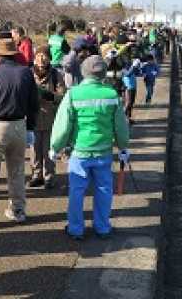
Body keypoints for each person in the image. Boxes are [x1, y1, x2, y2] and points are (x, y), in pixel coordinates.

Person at [50, 56, 130, 241]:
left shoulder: (73, 94)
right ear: (103, 73)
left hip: (80, 151)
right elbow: (120, 126)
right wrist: (124, 147)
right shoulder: (111, 95)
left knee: (77, 191)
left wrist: (55, 147)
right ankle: (102, 227)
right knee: (103, 189)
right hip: (104, 152)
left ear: (83, 72)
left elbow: (63, 126)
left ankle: (76, 229)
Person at [0, 39, 39, 227]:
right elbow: (34, 104)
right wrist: (31, 127)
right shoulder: (26, 74)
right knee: (17, 171)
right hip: (19, 125)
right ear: (15, 54)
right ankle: (18, 210)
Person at [30, 46, 66, 188]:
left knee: (49, 149)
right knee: (34, 150)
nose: (41, 59)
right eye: (38, 56)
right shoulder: (28, 74)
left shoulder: (56, 74)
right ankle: (36, 175)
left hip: (51, 118)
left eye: (44, 56)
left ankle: (49, 176)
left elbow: (63, 95)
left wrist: (50, 96)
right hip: (33, 118)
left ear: (50, 58)